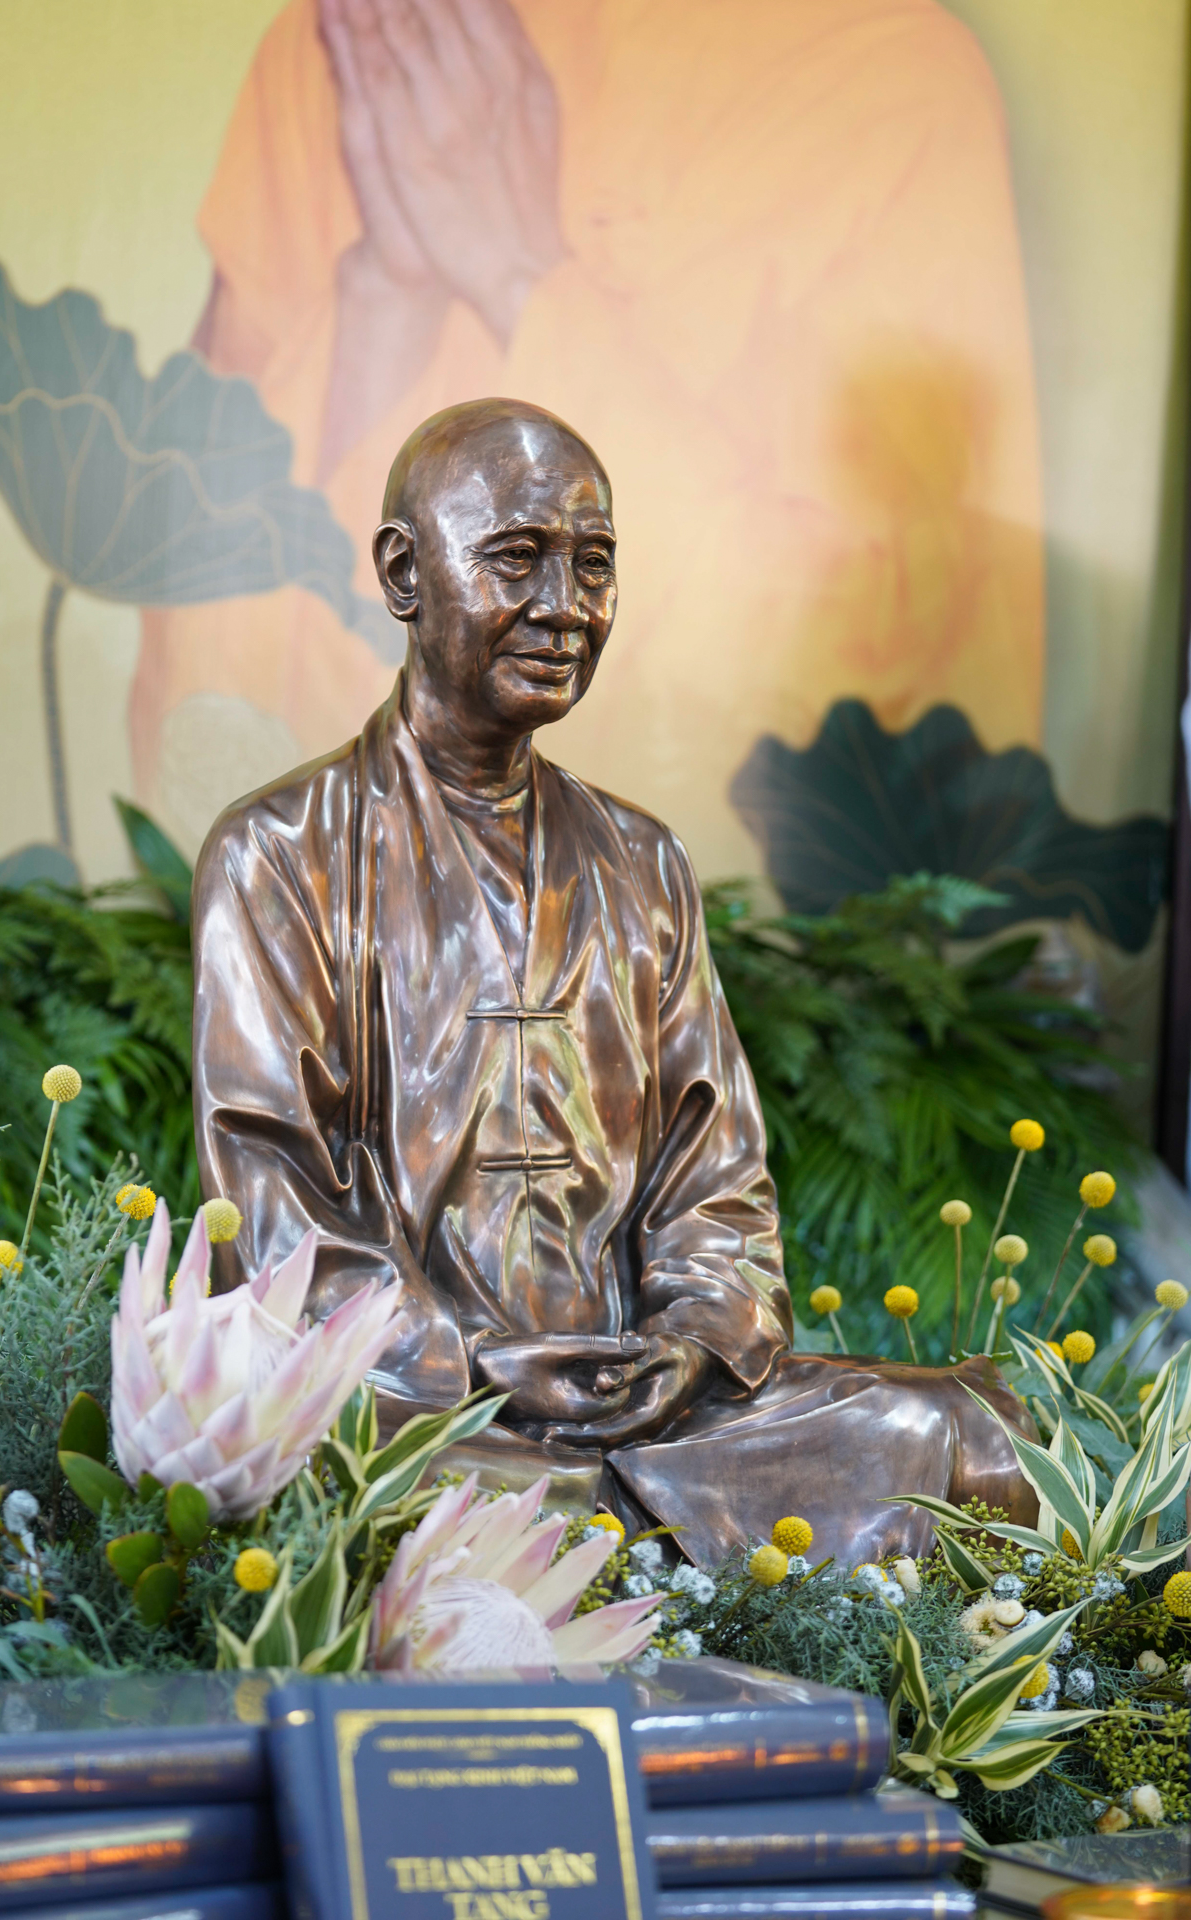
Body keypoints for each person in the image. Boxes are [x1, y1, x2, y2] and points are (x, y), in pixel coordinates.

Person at [191, 397, 1036, 1568]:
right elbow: (271, 1202)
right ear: (403, 573)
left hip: (648, 1411)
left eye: (594, 565)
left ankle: (605, 1527)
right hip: (413, 1403)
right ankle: (610, 1532)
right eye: (517, 558)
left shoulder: (641, 861)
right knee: (335, 1468)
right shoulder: (281, 854)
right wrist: (471, 1362)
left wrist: (690, 1344)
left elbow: (715, 1184)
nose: (564, 607)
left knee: (979, 1437)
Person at [134, 0, 1043, 876]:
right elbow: (192, 692)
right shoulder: (366, 38)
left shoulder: (890, 73)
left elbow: (873, 676)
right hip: (348, 913)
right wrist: (382, 300)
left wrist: (517, 273)